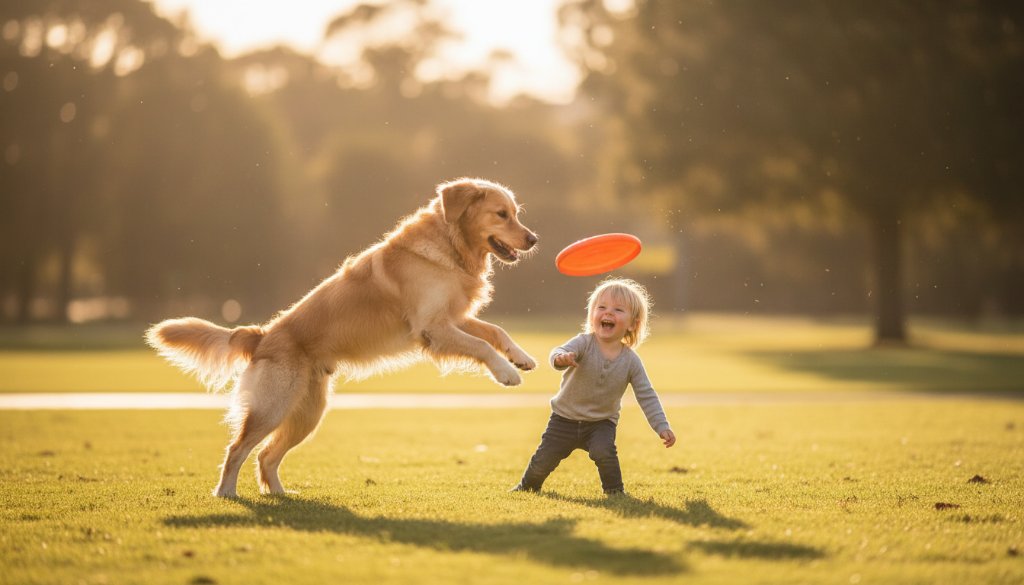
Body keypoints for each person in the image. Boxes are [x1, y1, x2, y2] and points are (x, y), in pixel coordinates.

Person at [511, 278, 676, 496]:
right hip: (564, 419)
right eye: (602, 307)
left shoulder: (631, 361)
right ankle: (528, 486)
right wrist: (562, 358)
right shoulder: (583, 343)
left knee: (604, 452)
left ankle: (615, 492)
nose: (608, 313)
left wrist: (661, 425)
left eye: (618, 310)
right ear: (592, 315)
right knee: (544, 458)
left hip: (601, 423)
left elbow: (646, 395)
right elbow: (556, 353)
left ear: (633, 324)